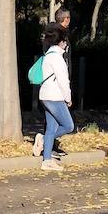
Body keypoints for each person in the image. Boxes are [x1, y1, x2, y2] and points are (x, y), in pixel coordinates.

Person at [32, 23, 74, 171]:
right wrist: (68, 98)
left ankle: (47, 160)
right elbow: (63, 81)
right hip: (55, 97)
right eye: (66, 42)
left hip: (45, 95)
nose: (66, 44)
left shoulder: (48, 55)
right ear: (61, 42)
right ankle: (42, 140)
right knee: (68, 125)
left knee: (51, 128)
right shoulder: (58, 59)